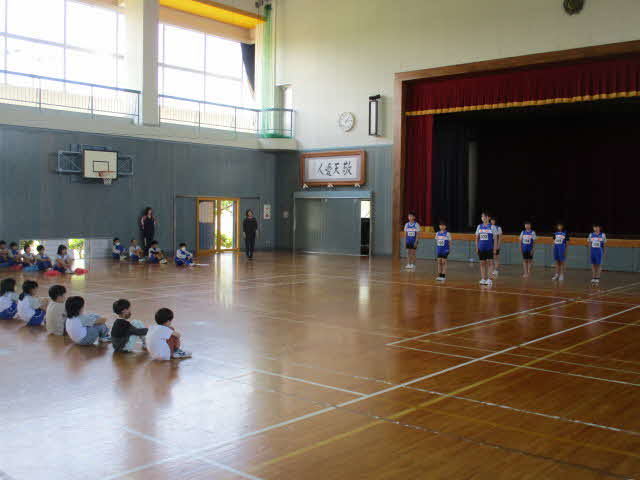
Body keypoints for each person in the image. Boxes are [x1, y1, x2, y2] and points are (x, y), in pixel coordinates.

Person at [475, 212, 498, 286]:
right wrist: (477, 247)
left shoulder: (492, 227)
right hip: (481, 248)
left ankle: (489, 279)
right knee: (482, 263)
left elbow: (495, 239)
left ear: (488, 218)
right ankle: (483, 278)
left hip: (489, 248)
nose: (483, 218)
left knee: (490, 263)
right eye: (482, 217)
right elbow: (476, 238)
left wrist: (495, 249)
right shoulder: (479, 226)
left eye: (484, 216)